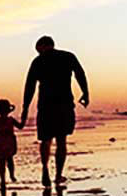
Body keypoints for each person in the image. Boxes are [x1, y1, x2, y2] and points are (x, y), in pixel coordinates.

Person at [20, 35, 89, 187]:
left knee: (45, 139)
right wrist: (85, 93)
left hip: (46, 105)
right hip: (64, 104)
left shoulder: (38, 61)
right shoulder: (68, 56)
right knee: (61, 140)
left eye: (38, 50)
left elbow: (29, 86)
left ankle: (45, 169)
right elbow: (80, 73)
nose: (38, 53)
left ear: (43, 46)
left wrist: (25, 108)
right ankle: (58, 175)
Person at [0, 98, 23, 190]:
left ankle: (4, 179)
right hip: (5, 142)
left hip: (1, 142)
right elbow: (20, 126)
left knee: (4, 162)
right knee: (8, 160)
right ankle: (8, 177)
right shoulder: (9, 120)